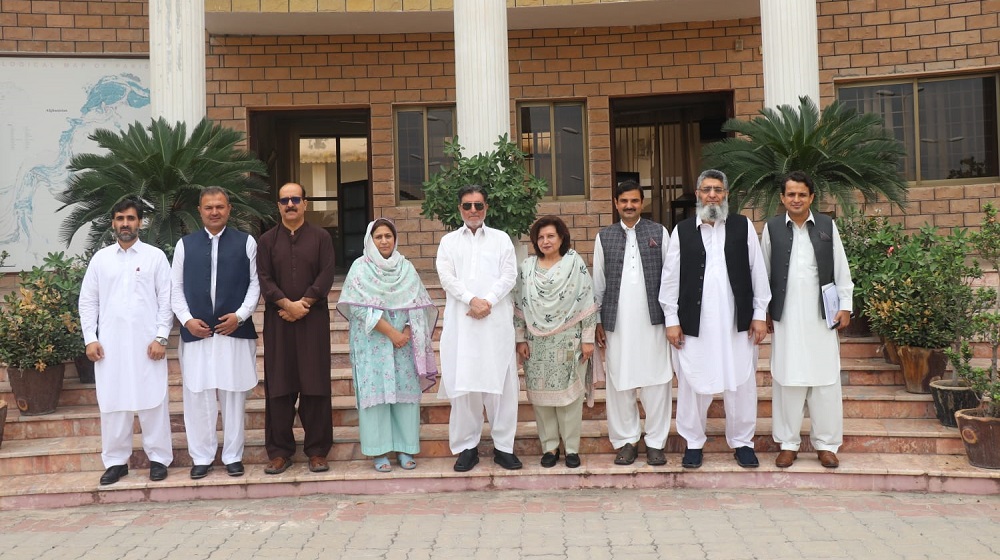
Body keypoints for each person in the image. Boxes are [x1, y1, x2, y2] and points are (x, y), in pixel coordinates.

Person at [659, 169, 771, 469]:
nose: (712, 195)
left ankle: (743, 442)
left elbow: (757, 271)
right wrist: (671, 318)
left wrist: (759, 315)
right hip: (696, 323)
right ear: (697, 194)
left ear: (726, 195)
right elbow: (670, 279)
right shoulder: (682, 231)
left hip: (737, 322)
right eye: (707, 189)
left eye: (718, 189)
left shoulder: (743, 226)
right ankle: (693, 443)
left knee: (741, 382)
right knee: (693, 382)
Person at [762, 171, 853, 469]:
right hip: (786, 318)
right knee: (787, 378)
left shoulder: (827, 225)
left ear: (811, 197)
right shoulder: (772, 228)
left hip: (821, 316)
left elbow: (841, 268)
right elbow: (762, 275)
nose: (796, 199)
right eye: (791, 194)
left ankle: (826, 445)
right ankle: (788, 444)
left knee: (826, 380)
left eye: (802, 194)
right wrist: (761, 313)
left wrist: (846, 306)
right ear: (782, 198)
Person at [79, 198, 173, 485]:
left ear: (140, 222)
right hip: (110, 346)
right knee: (113, 403)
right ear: (112, 223)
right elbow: (88, 301)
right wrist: (90, 338)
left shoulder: (155, 257)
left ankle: (158, 458)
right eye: (120, 218)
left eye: (130, 218)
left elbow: (166, 301)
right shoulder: (101, 259)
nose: (125, 224)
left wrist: (161, 337)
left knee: (153, 400)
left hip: (148, 346)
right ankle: (116, 462)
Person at [171, 187, 260, 479]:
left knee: (234, 395)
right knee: (198, 395)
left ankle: (233, 456)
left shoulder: (246, 242)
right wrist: (186, 320)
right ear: (200, 210)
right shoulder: (185, 245)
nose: (214, 211)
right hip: (197, 333)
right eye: (208, 207)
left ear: (229, 208)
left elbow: (254, 285)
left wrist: (240, 316)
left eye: (220, 206)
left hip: (234, 331)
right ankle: (202, 457)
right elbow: (175, 289)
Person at [337, 218, 438, 472]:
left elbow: (419, 304)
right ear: (370, 241)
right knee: (377, 396)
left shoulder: (406, 268)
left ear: (395, 239)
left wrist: (405, 331)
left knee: (404, 397)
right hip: (374, 343)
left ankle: (405, 448)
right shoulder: (360, 268)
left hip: (405, 342)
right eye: (378, 236)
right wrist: (391, 333)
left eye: (388, 236)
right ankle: (379, 451)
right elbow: (357, 309)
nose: (384, 241)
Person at [436, 184, 521, 472]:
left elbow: (510, 274)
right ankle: (466, 448)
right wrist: (471, 300)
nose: (473, 210)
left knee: (502, 387)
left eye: (479, 205)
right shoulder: (448, 242)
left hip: (495, 324)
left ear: (486, 208)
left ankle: (504, 448)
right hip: (462, 324)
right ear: (459, 209)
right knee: (465, 387)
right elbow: (446, 276)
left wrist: (489, 301)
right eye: (468, 205)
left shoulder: (501, 239)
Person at [257, 182, 337, 474]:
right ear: (278, 205)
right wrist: (286, 305)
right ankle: (280, 452)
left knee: (315, 385)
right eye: (284, 200)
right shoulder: (266, 241)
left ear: (305, 203)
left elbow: (327, 273)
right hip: (278, 322)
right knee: (279, 386)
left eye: (295, 199)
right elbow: (264, 278)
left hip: (312, 321)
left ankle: (317, 451)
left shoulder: (321, 238)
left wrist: (303, 303)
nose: (290, 204)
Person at [592, 180, 673, 466]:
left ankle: (654, 442)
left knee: (656, 382)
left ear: (642, 203)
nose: (629, 206)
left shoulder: (659, 232)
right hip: (617, 323)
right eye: (624, 201)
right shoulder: (604, 237)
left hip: (654, 322)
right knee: (620, 382)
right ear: (615, 203)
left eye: (635, 201)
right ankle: (627, 440)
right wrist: (597, 321)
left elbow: (670, 279)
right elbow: (598, 283)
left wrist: (672, 319)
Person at [514, 216, 598, 469]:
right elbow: (519, 305)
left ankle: (571, 448)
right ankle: (549, 447)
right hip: (536, 342)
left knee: (570, 399)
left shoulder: (575, 264)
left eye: (550, 236)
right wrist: (520, 339)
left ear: (562, 237)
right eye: (540, 237)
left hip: (569, 340)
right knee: (541, 400)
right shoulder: (527, 268)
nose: (545, 241)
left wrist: (588, 339)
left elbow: (587, 301)